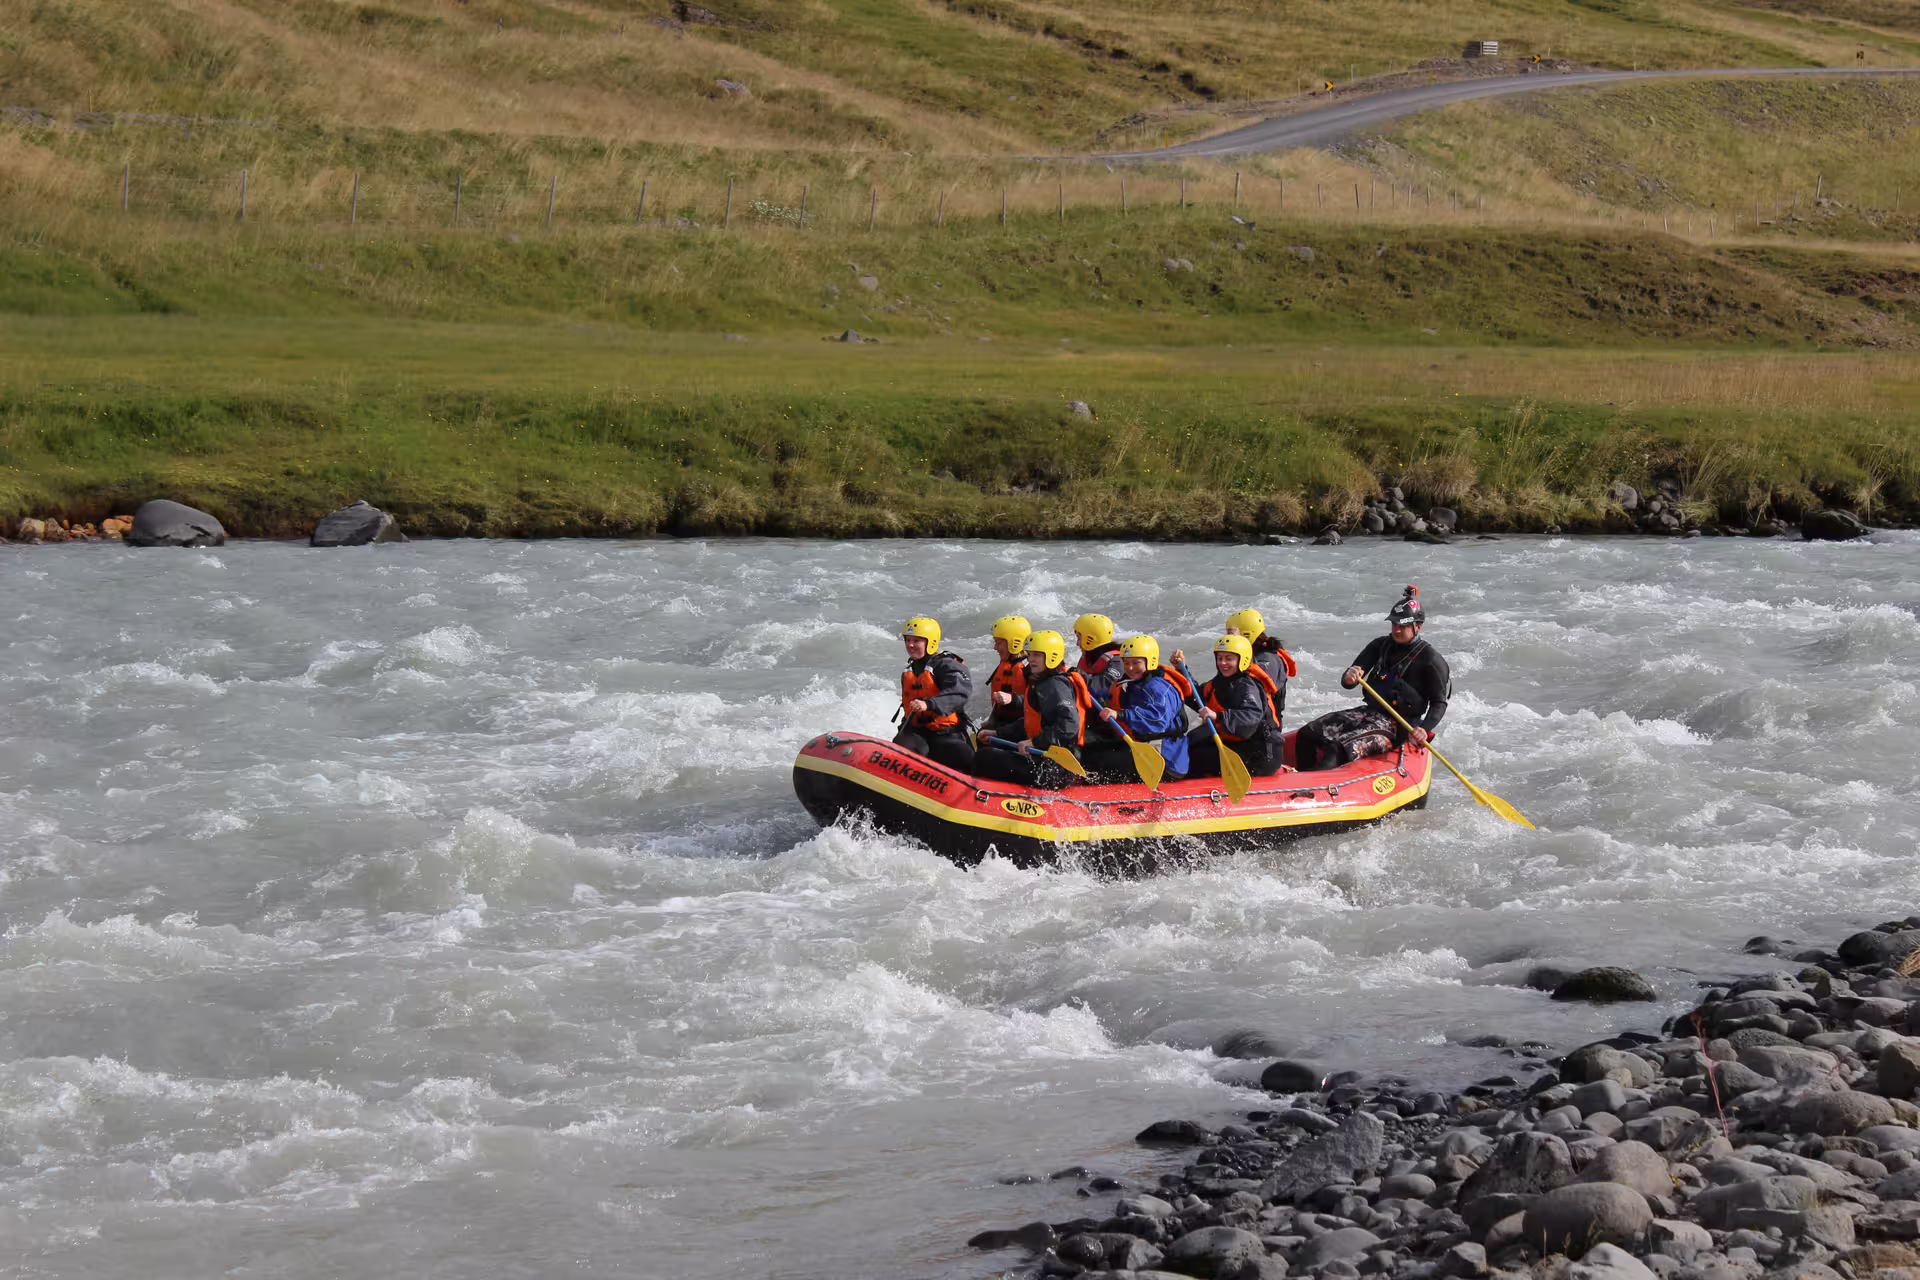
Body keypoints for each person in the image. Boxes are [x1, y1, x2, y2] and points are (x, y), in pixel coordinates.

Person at [1294, 586, 1451, 772]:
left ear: (1418, 627)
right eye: (1394, 624)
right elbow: (1347, 682)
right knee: (1307, 734)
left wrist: (1424, 729)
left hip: (1397, 727)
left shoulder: (1430, 660)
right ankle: (1303, 780)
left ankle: (1315, 788)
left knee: (1337, 748)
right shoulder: (1380, 645)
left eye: (1402, 626)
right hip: (1369, 712)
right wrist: (1350, 676)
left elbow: (1439, 703)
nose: (1397, 630)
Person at [973, 630, 1091, 789]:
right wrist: (998, 733)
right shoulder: (1042, 682)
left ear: (1052, 656)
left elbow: (1069, 725)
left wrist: (1034, 742)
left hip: (1057, 768)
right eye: (1030, 654)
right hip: (1045, 757)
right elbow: (1032, 721)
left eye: (1037, 655)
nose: (1031, 660)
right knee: (989, 748)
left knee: (985, 757)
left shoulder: (1054, 685)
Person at [1083, 635, 1194, 784]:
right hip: (1143, 745)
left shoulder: (1158, 687)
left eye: (1136, 663)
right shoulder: (1131, 682)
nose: (1130, 668)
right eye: (1126, 662)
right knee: (1091, 750)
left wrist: (1121, 714)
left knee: (1099, 760)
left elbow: (1157, 720)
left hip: (1165, 757)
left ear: (1151, 661)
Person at [1185, 634, 1286, 779]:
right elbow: (1199, 699)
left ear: (1242, 660)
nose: (1223, 663)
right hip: (1239, 745)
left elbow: (1250, 717)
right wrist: (1181, 669)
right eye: (1220, 658)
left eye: (1229, 659)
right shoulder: (1220, 682)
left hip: (1262, 754)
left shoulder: (1248, 686)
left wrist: (1219, 716)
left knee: (1198, 756)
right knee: (1192, 742)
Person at [895, 616, 975, 773]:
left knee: (967, 759)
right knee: (901, 747)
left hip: (946, 734)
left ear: (930, 642)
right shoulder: (910, 670)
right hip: (917, 734)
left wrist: (929, 704)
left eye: (916, 640)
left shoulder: (946, 664)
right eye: (908, 640)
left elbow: (959, 692)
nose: (910, 645)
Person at [978, 615, 1033, 745]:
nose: (995, 647)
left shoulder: (1031, 669)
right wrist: (991, 721)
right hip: (1004, 724)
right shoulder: (1006, 663)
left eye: (998, 642)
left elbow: (1040, 704)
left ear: (1015, 643)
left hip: (1022, 729)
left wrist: (1012, 699)